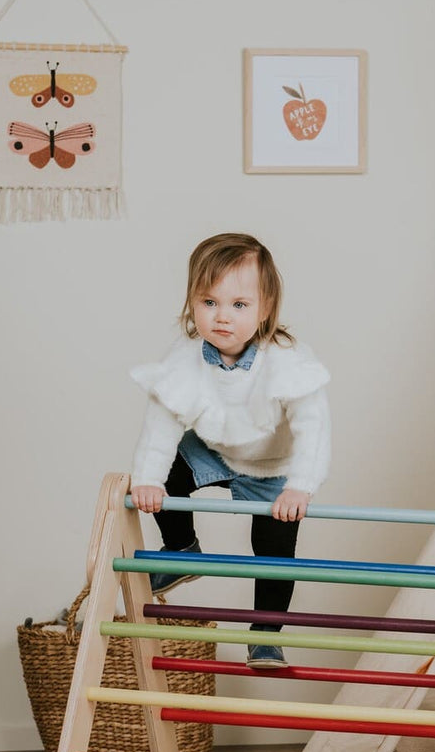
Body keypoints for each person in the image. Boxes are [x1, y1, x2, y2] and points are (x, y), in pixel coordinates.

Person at [129, 232, 331, 669]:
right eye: (209, 302)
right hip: (215, 449)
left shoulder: (287, 358)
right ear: (191, 303)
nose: (223, 317)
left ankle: (266, 634)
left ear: (265, 310)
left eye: (239, 305)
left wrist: (301, 487)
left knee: (275, 552)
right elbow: (161, 424)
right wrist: (146, 479)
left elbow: (314, 428)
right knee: (164, 471)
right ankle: (182, 550)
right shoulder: (185, 356)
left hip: (274, 466)